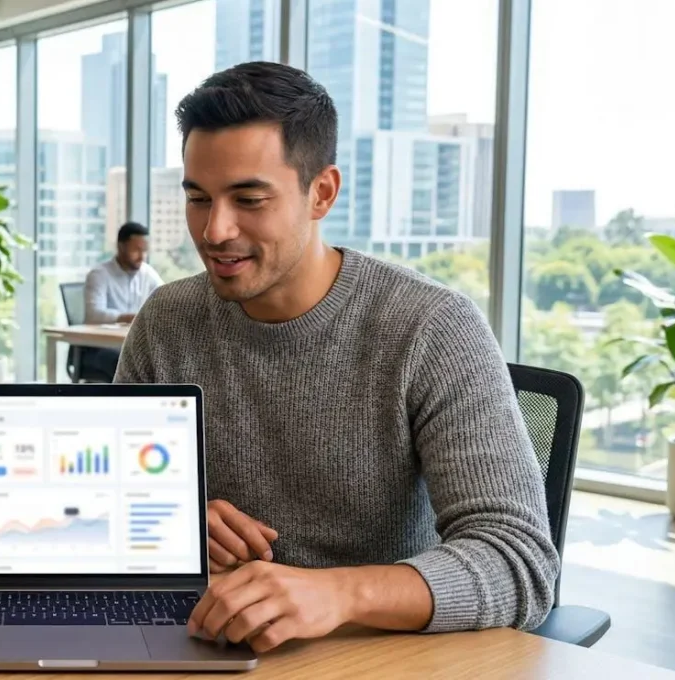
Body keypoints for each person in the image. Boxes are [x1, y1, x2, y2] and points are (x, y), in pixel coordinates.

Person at [115, 62, 558, 651]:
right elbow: (112, 502)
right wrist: (176, 521)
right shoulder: (166, 320)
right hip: (210, 641)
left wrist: (337, 593)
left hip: (376, 651)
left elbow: (518, 562)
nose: (215, 230)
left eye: (249, 199)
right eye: (199, 198)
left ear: (321, 192)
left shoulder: (430, 327)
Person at [78, 222, 163, 380]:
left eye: (145, 250)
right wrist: (128, 317)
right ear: (121, 247)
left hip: (133, 345)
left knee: (162, 359)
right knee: (128, 362)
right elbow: (93, 315)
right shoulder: (99, 274)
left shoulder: (147, 273)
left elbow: (165, 304)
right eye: (136, 250)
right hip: (98, 348)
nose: (142, 256)